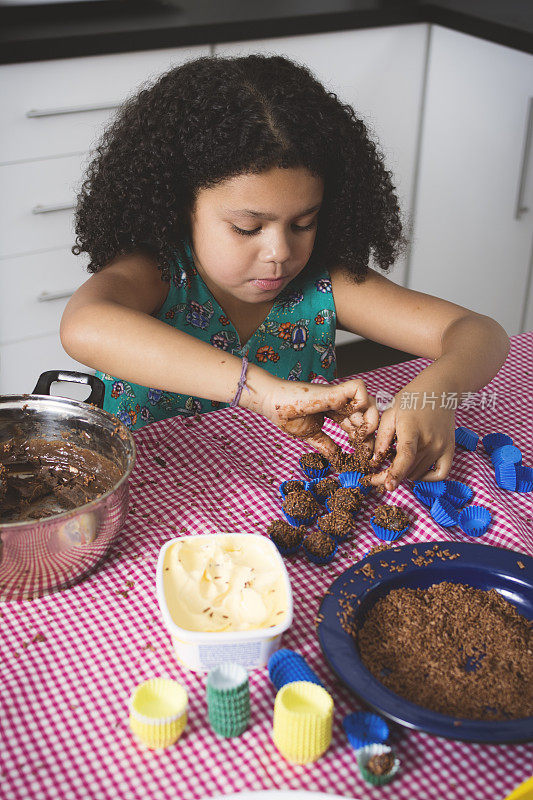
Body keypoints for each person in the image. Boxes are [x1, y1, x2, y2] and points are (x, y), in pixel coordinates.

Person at [61, 54, 509, 492]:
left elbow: (479, 332)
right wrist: (262, 392)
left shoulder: (323, 284)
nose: (279, 252)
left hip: (268, 499)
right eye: (247, 228)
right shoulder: (157, 274)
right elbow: (84, 324)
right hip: (147, 500)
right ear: (182, 209)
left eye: (303, 224)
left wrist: (434, 394)